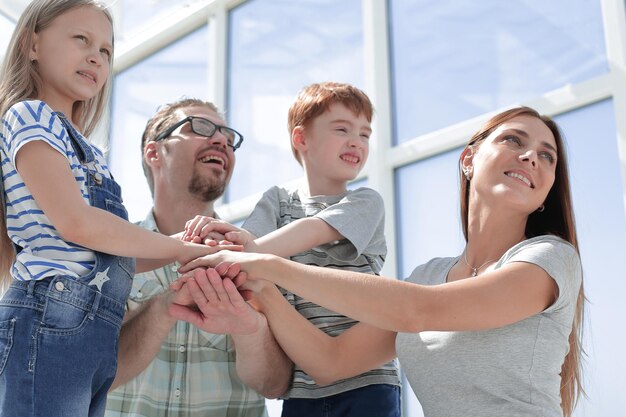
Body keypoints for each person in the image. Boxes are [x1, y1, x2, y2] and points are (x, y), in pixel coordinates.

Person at [176, 106, 585, 417]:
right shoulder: (429, 275)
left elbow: (420, 310)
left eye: (547, 156)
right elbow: (329, 363)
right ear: (468, 160)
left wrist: (266, 263)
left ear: (546, 190)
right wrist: (263, 290)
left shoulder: (549, 259)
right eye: (514, 140)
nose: (532, 156)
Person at [0, 2, 228, 416]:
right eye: (81, 39)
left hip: (92, 334)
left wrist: (188, 246)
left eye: (105, 50)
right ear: (33, 44)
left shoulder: (89, 150)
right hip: (48, 321)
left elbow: (108, 254)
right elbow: (76, 223)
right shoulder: (31, 115)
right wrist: (179, 250)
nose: (95, 56)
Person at [181, 82, 401, 417]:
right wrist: (217, 244)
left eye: (365, 134)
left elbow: (309, 232)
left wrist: (238, 253)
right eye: (342, 129)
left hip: (367, 381)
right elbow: (246, 245)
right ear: (301, 140)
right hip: (301, 386)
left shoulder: (365, 201)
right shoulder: (278, 201)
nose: (356, 141)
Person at [104, 98, 292, 417]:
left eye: (229, 139)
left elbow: (273, 385)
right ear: (155, 153)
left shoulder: (255, 259)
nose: (221, 140)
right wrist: (166, 305)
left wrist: (250, 328)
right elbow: (95, 376)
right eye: (201, 127)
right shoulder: (111, 255)